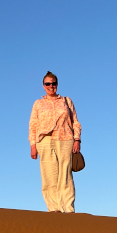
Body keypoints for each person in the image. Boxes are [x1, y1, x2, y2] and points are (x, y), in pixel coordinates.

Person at [29, 71, 82, 213]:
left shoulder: (66, 101)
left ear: (57, 85)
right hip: (44, 140)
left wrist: (77, 139)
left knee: (65, 174)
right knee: (49, 175)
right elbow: (33, 125)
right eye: (48, 84)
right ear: (43, 85)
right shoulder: (38, 104)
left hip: (65, 139)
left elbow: (75, 122)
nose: (51, 86)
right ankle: (53, 209)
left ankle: (68, 208)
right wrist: (33, 146)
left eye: (53, 83)